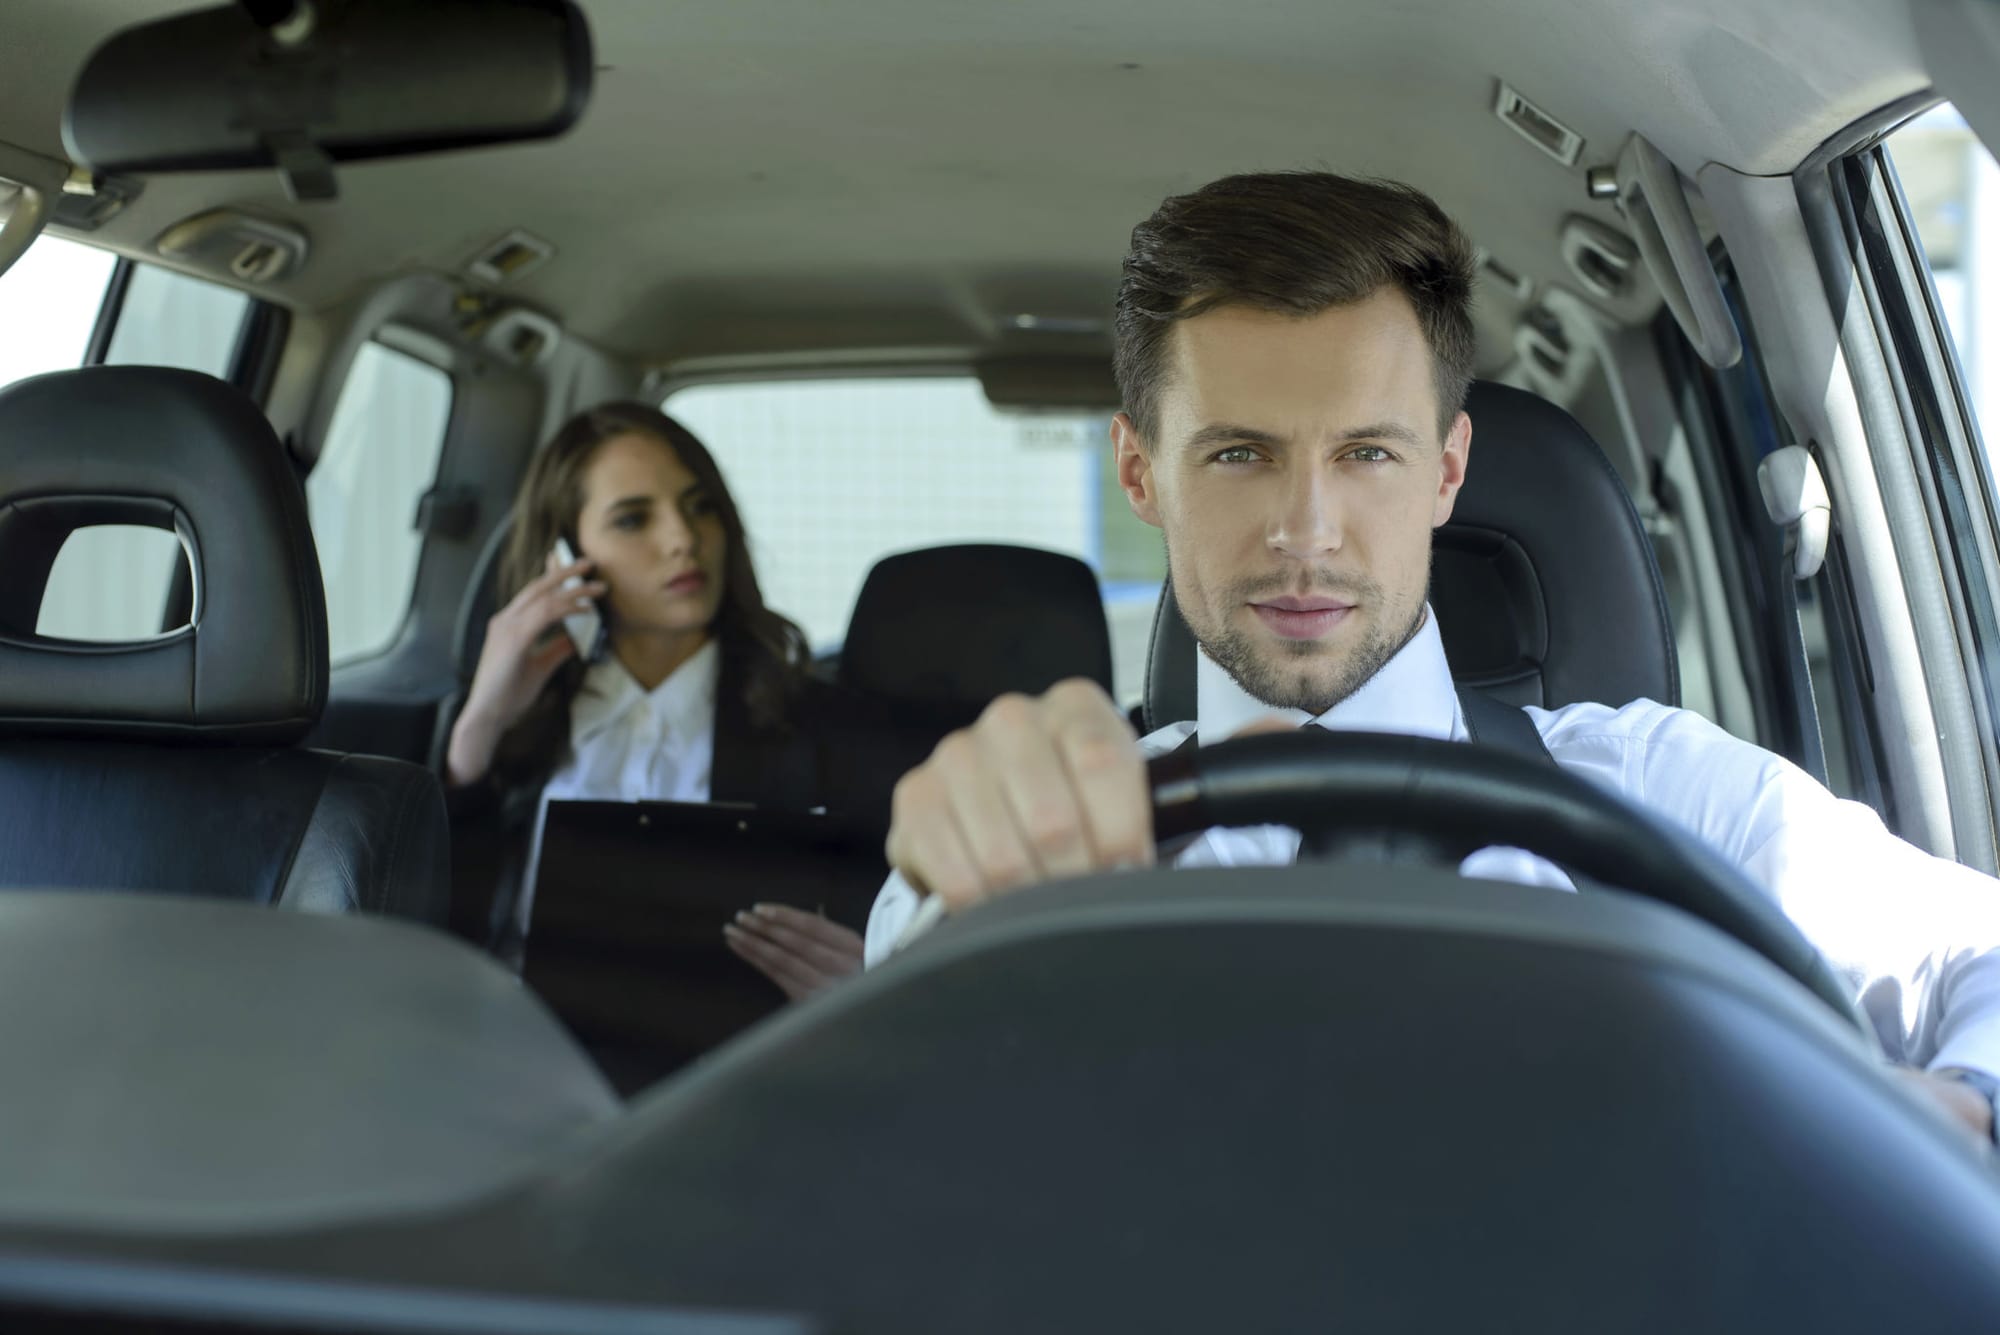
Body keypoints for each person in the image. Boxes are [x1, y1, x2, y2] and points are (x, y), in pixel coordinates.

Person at [866, 171, 2000, 1144]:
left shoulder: (1659, 796)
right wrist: (973, 924)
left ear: (1447, 471)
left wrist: (1959, 1107)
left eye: (1366, 452)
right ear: (1139, 473)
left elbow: (1978, 953)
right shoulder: (1039, 845)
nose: (1305, 532)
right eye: (1238, 454)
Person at [443, 401, 862, 992]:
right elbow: (434, 929)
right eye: (633, 519)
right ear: (564, 555)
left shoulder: (820, 727)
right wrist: (481, 722)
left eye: (699, 507)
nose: (683, 539)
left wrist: (871, 974)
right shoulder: (519, 727)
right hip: (519, 1037)